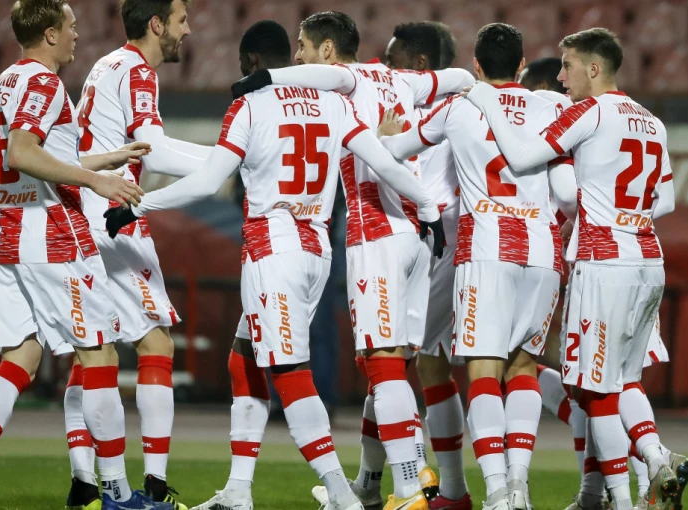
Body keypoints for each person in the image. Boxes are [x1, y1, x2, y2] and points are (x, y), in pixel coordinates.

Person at [104, 19, 444, 510]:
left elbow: (208, 182)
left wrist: (139, 205)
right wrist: (427, 207)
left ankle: (342, 496)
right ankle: (238, 490)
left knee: (289, 373)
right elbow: (386, 163)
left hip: (272, 250)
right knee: (243, 358)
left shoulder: (250, 104)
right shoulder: (334, 103)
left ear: (249, 62)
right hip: (316, 251)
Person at [231, 11, 472, 510]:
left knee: (383, 366)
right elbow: (459, 77)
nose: (298, 54)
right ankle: (371, 483)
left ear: (326, 49)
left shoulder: (347, 77)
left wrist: (263, 78)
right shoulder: (404, 80)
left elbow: (315, 75)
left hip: (376, 233)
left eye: (303, 45)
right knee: (392, 365)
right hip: (418, 237)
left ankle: (411, 487)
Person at [462, 27, 680, 510]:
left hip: (603, 262)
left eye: (567, 66)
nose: (561, 77)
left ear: (594, 68)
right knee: (624, 381)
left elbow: (522, 156)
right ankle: (650, 460)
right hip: (648, 258)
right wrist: (624, 214)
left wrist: (486, 98)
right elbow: (664, 200)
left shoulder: (590, 112)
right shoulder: (652, 121)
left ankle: (628, 492)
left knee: (595, 389)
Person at [0, 1, 151, 509]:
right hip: (54, 238)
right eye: (72, 27)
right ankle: (118, 492)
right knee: (99, 355)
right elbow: (22, 152)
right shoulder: (44, 82)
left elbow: (42, 156)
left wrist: (107, 159)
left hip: (9, 238)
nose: (78, 35)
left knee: (22, 356)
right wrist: (97, 181)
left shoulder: (4, 82)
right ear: (52, 33)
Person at [380, 22, 577, 510]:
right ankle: (519, 486)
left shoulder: (458, 107)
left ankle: (495, 492)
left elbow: (395, 150)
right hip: (543, 248)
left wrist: (387, 135)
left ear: (476, 65)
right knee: (523, 367)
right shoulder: (552, 106)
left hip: (486, 245)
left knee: (483, 369)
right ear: (522, 64)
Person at [63, 1, 210, 508]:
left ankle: (84, 481)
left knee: (91, 351)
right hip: (113, 213)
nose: (188, 30)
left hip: (78, 212)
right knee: (156, 344)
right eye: (181, 19)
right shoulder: (138, 70)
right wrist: (229, 159)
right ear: (156, 24)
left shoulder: (107, 65)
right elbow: (155, 150)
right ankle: (152, 486)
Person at [385, 22, 471, 510]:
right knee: (429, 362)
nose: (386, 68)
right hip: (454, 239)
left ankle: (419, 483)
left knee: (395, 357)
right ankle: (447, 490)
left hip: (438, 239)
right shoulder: (464, 103)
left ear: (420, 65)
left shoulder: (439, 112)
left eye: (393, 60)